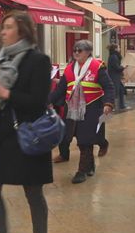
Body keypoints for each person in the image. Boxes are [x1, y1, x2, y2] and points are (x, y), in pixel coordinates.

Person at [0, 11, 52, 233]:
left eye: (8, 27)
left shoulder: (39, 60)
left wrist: (3, 92)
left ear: (22, 30)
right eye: (3, 27)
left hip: (29, 134)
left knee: (33, 191)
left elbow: (38, 102)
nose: (3, 32)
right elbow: (3, 98)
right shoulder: (5, 59)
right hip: (4, 135)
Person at [49, 40, 115, 184]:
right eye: (75, 50)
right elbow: (60, 90)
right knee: (72, 137)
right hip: (72, 108)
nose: (77, 53)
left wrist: (108, 103)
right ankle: (90, 166)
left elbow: (109, 87)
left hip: (92, 107)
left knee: (85, 140)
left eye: (80, 50)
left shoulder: (97, 67)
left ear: (88, 52)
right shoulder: (68, 69)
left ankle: (82, 171)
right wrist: (46, 101)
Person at [107, 44, 128, 110]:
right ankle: (112, 107)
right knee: (115, 91)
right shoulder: (114, 57)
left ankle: (122, 105)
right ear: (115, 49)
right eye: (119, 47)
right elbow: (116, 67)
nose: (120, 48)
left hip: (116, 76)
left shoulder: (114, 56)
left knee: (121, 90)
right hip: (114, 77)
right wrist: (123, 67)